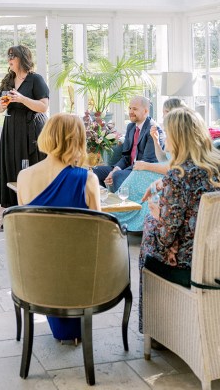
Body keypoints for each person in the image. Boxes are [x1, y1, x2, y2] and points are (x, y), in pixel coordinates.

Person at [17, 113, 100, 342]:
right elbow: (98, 232)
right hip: (76, 277)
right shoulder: (87, 179)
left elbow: (27, 231)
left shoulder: (23, 177)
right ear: (78, 140)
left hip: (38, 276)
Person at [138, 107, 220, 334]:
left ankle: (155, 328)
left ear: (178, 137)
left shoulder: (179, 175)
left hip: (189, 262)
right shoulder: (215, 167)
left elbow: (166, 237)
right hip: (215, 254)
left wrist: (156, 215)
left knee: (150, 229)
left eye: (167, 133)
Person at [114, 98, 187, 232]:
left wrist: (145, 165)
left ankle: (120, 214)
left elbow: (173, 168)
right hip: (165, 170)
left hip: (171, 174)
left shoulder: (182, 136)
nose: (163, 115)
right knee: (138, 171)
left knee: (139, 171)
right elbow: (163, 158)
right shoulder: (169, 132)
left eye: (166, 112)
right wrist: (156, 141)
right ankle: (119, 209)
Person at [0, 45, 49, 207]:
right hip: (12, 129)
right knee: (13, 166)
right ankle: (14, 210)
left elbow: (43, 106)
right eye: (8, 56)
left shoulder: (35, 79)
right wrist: (3, 105)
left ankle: (35, 208)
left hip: (32, 128)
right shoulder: (8, 80)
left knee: (31, 167)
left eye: (13, 56)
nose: (9, 59)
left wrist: (22, 99)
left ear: (22, 59)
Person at [93, 96, 165, 192]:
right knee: (95, 172)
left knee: (116, 176)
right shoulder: (131, 127)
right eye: (130, 108)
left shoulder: (153, 129)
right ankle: (105, 201)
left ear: (145, 111)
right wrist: (115, 169)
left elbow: (147, 161)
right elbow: (126, 156)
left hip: (141, 171)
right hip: (128, 168)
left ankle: (119, 205)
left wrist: (116, 173)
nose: (130, 112)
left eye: (135, 109)